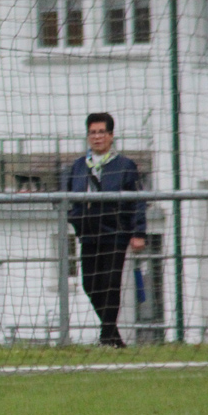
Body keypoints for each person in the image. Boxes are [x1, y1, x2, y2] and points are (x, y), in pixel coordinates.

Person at [64, 113, 147, 348]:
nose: (97, 137)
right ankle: (113, 336)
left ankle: (106, 337)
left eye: (102, 132)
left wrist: (138, 232)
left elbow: (138, 200)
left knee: (111, 283)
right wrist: (76, 219)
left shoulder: (125, 166)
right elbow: (69, 197)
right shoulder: (78, 166)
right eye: (93, 132)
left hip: (115, 233)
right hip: (88, 234)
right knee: (90, 284)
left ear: (111, 136)